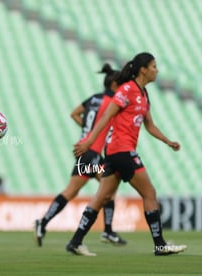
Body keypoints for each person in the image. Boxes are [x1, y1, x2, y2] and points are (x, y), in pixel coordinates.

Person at [68, 52, 187, 256]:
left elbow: (150, 125)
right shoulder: (126, 90)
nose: (157, 70)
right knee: (149, 193)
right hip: (122, 150)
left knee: (102, 197)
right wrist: (88, 142)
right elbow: (107, 115)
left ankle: (75, 242)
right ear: (143, 70)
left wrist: (167, 141)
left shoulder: (143, 94)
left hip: (116, 152)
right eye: (154, 66)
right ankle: (160, 245)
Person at [34, 64, 126, 250]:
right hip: (92, 153)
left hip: (85, 153)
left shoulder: (94, 99)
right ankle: (107, 231)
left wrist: (87, 130)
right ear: (115, 84)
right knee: (109, 187)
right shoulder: (111, 102)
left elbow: (74, 113)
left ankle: (42, 222)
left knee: (71, 192)